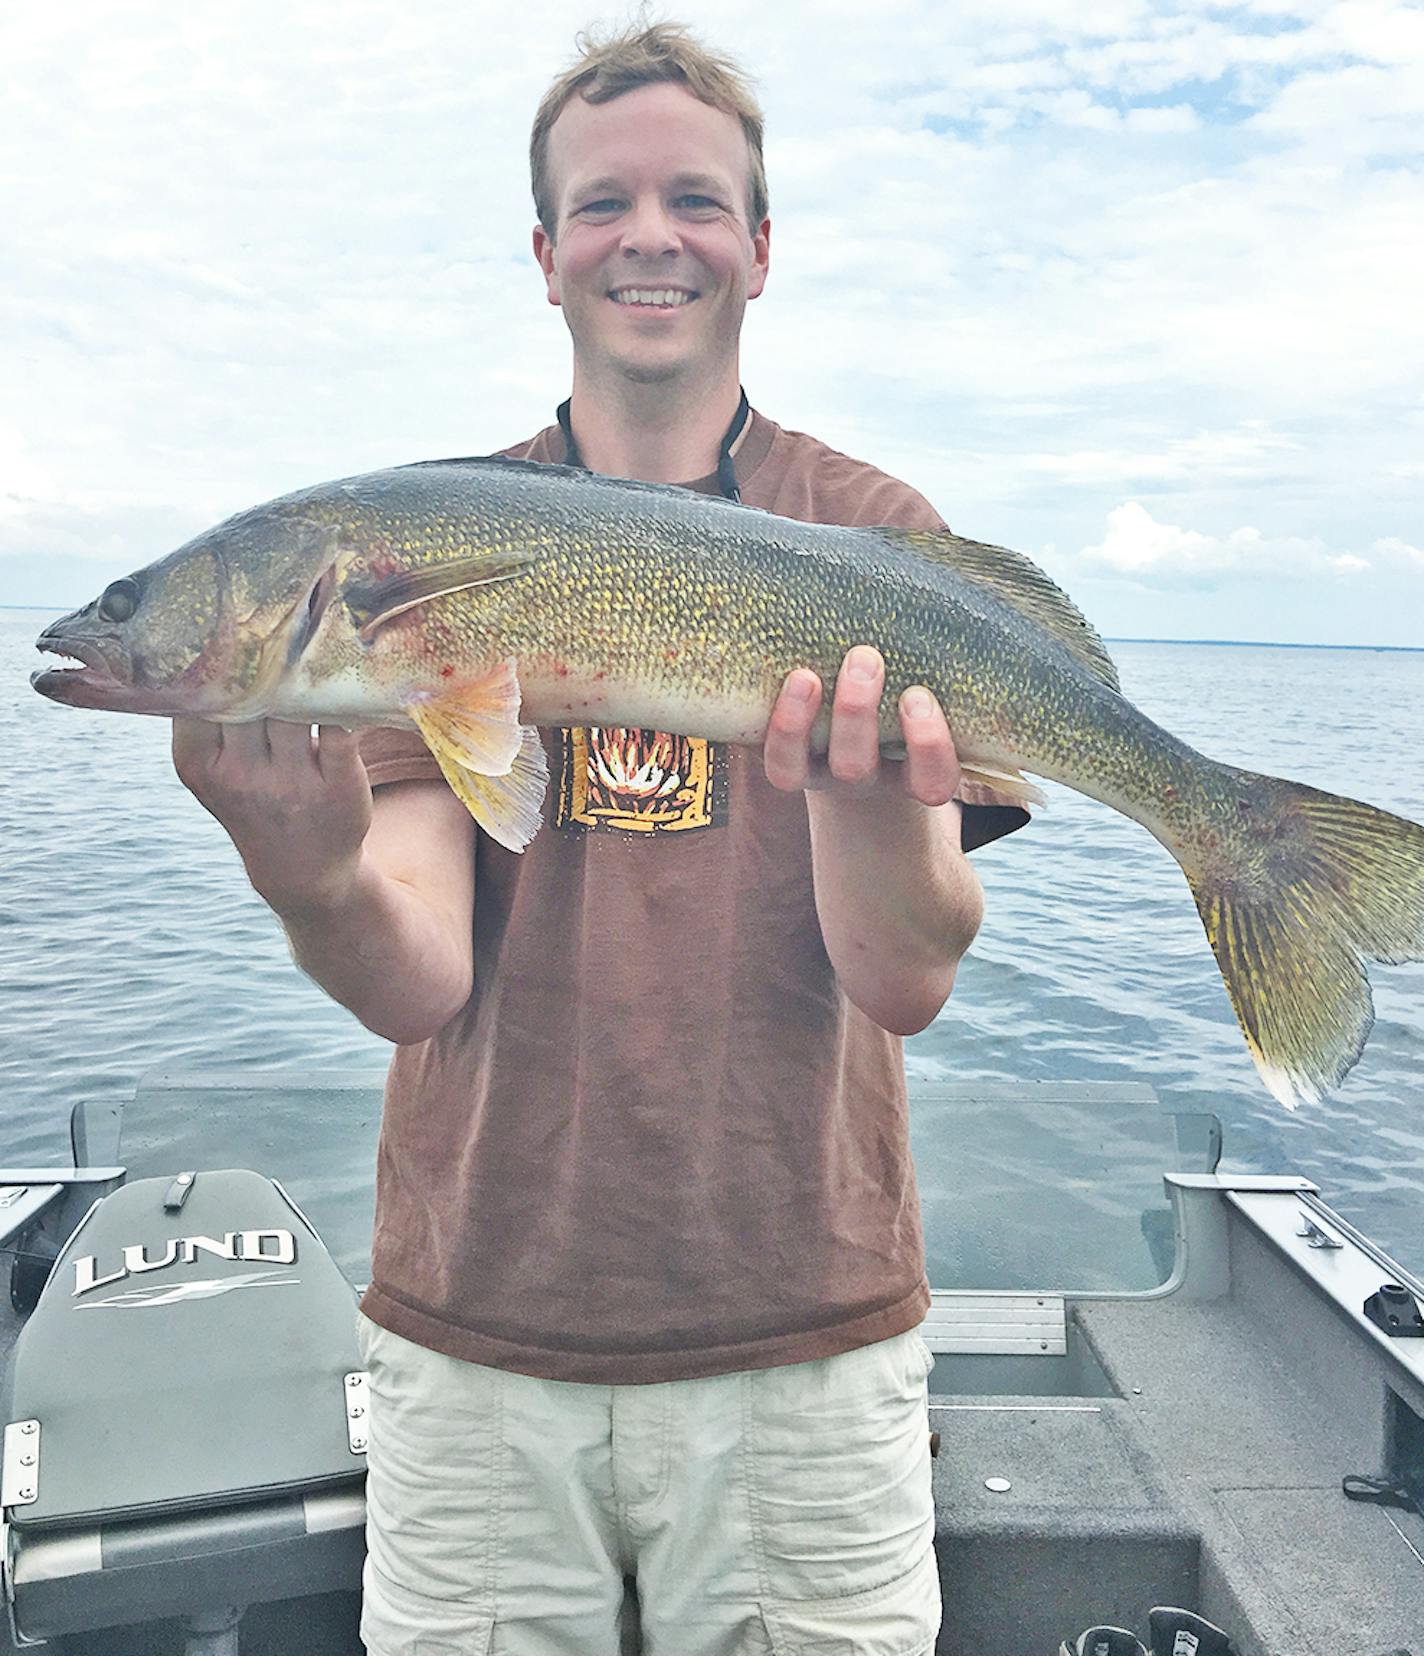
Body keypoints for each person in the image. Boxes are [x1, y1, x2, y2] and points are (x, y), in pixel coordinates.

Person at [172, 20, 1029, 1656]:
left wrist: (861, 805)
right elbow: (420, 977)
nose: (652, 235)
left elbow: (907, 978)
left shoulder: (879, 539)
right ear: (548, 253)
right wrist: (309, 874)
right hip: (478, 1336)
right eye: (604, 203)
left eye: (698, 202)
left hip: (809, 1338)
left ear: (761, 250)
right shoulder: (418, 552)